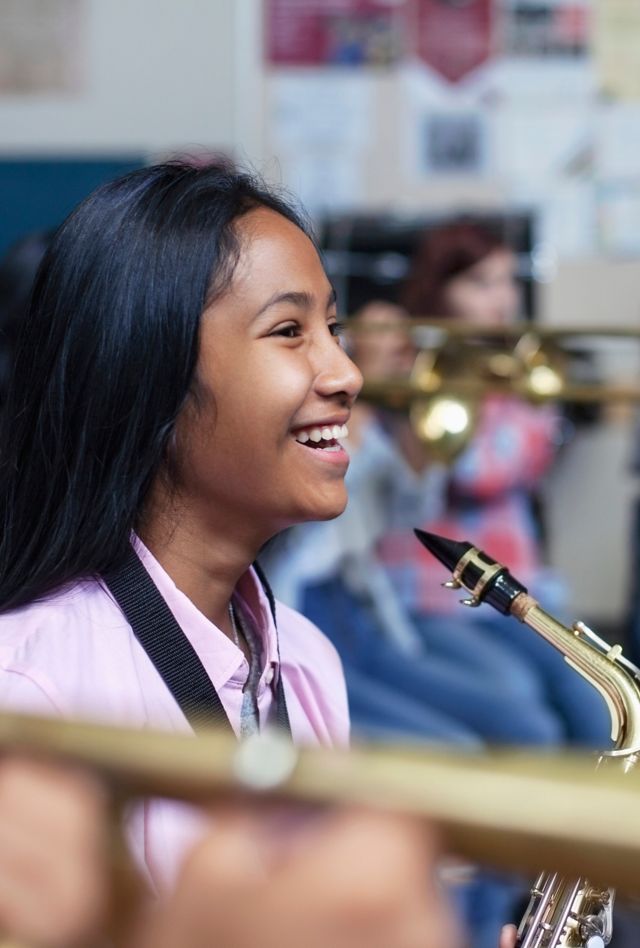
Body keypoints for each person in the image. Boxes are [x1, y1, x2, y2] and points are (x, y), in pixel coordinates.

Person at [0, 162, 516, 947]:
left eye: (333, 330)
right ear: (154, 377)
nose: (345, 373)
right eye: (289, 331)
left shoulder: (306, 659)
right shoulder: (30, 693)